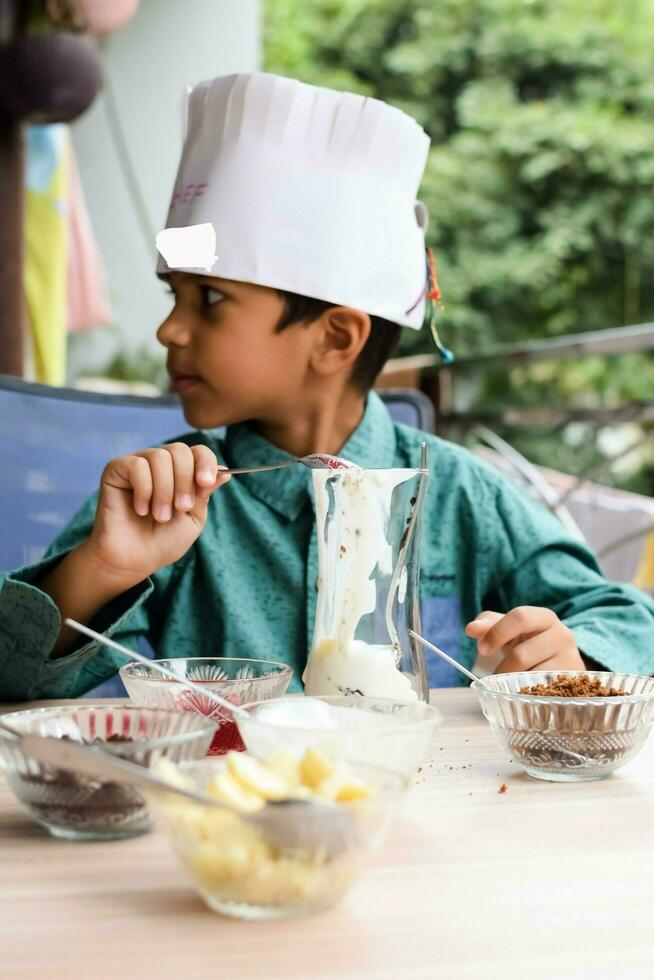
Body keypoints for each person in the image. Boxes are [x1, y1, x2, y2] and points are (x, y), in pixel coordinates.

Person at [1, 72, 652, 701]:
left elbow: (628, 622)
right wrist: (101, 571)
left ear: (337, 338)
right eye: (174, 295)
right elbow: (11, 677)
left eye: (212, 299)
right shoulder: (165, 503)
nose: (169, 331)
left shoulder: (460, 495)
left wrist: (571, 655)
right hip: (228, 807)